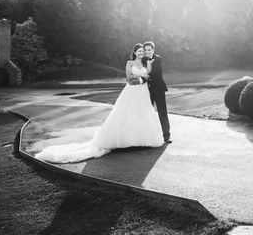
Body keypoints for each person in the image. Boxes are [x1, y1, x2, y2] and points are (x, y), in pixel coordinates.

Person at [35, 43, 164, 163]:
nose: (142, 53)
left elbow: (149, 75)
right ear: (135, 52)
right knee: (126, 113)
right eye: (139, 51)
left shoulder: (146, 62)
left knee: (143, 112)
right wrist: (140, 78)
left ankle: (141, 139)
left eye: (143, 51)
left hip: (143, 92)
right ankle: (123, 140)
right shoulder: (129, 63)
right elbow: (128, 78)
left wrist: (145, 76)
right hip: (131, 91)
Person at [142, 41, 171, 143]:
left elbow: (154, 73)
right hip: (146, 90)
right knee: (147, 112)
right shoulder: (141, 60)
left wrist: (143, 78)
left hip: (158, 88)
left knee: (162, 112)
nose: (147, 51)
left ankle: (166, 135)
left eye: (149, 49)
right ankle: (147, 136)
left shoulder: (158, 59)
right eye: (145, 50)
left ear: (153, 50)